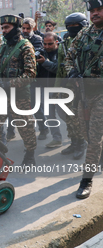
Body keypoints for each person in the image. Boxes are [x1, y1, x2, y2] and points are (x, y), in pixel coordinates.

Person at [64, 0, 103, 199]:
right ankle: (98, 155)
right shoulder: (84, 33)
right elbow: (69, 57)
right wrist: (72, 73)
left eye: (99, 9)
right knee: (86, 133)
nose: (95, 13)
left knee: (94, 139)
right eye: (93, 11)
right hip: (84, 94)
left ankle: (86, 180)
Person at [0, 14, 37, 168]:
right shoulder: (3, 46)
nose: (3, 31)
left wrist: (7, 85)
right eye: (2, 28)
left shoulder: (25, 46)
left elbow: (30, 73)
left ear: (15, 28)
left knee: (25, 127)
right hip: (2, 96)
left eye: (7, 28)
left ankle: (30, 156)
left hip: (19, 96)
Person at [55, 12, 89, 159]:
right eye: (69, 26)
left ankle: (81, 144)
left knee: (79, 117)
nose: (72, 29)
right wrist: (56, 88)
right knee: (69, 116)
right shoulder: (65, 41)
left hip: (84, 85)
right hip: (67, 84)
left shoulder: (88, 40)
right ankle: (74, 142)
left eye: (75, 26)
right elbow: (60, 68)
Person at [36, 32, 62, 148]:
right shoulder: (41, 52)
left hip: (59, 88)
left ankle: (77, 138)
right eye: (45, 44)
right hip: (44, 89)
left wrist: (44, 62)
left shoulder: (61, 52)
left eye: (50, 44)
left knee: (65, 115)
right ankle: (56, 138)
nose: (47, 46)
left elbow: (58, 69)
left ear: (56, 42)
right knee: (49, 116)